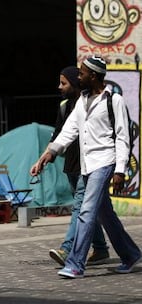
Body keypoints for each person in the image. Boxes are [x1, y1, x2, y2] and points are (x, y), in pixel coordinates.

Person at [31, 55, 141, 278]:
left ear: (94, 75)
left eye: (82, 73)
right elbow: (69, 131)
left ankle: (75, 263)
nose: (79, 76)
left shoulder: (114, 100)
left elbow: (122, 137)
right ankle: (130, 254)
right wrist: (50, 153)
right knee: (104, 214)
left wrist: (120, 170)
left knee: (86, 210)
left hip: (105, 162)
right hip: (86, 164)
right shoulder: (82, 101)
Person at [30, 66, 110, 266]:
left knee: (80, 207)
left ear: (75, 83)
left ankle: (67, 249)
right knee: (95, 210)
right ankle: (100, 249)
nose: (59, 87)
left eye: (63, 83)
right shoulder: (65, 106)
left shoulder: (90, 104)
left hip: (90, 166)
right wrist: (42, 159)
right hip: (71, 166)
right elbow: (57, 136)